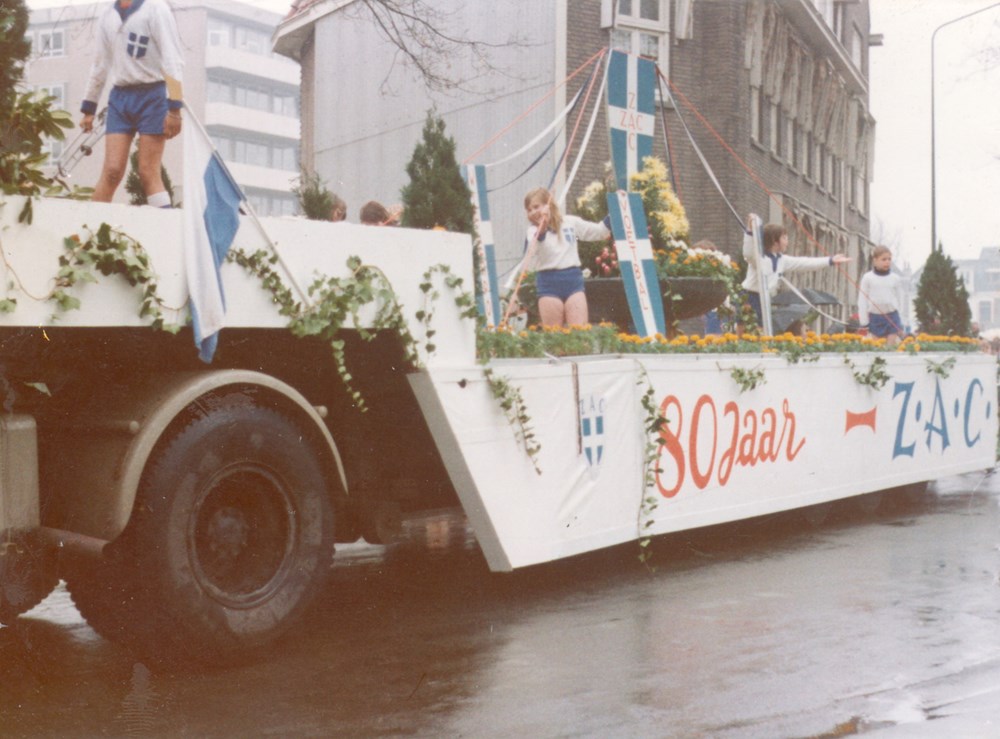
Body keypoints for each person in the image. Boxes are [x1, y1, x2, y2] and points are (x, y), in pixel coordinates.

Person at [79, 0, 185, 208]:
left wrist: (174, 109)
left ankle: (165, 232)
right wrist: (89, 107)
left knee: (147, 171)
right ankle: (90, 232)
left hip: (152, 95)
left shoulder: (156, 9)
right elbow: (100, 62)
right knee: (112, 171)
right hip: (120, 97)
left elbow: (172, 57)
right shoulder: (107, 14)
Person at [507, 187, 611, 327]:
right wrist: (542, 228)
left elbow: (600, 232)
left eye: (536, 207)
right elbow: (533, 249)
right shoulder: (532, 231)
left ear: (548, 205)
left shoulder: (570, 222)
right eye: (529, 210)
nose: (532, 212)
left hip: (573, 282)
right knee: (554, 338)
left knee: (579, 335)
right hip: (549, 285)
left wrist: (618, 207)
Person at [741, 221, 850, 327]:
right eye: (784, 238)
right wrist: (750, 230)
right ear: (775, 241)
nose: (787, 241)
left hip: (765, 299)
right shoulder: (758, 258)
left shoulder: (782, 260)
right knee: (744, 329)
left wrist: (830, 260)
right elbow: (748, 252)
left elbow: (804, 263)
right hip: (749, 296)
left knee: (761, 332)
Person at [857, 245, 906, 342]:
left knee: (890, 348)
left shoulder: (895, 278)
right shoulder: (868, 278)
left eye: (889, 259)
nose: (887, 262)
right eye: (883, 259)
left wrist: (901, 319)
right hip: (875, 318)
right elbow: (862, 300)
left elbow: (901, 299)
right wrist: (864, 322)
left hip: (892, 316)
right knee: (878, 348)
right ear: (875, 260)